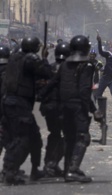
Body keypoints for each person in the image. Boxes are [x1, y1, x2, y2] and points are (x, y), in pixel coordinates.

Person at [39, 35, 94, 183]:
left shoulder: (64, 65)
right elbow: (84, 91)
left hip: (64, 106)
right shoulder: (87, 65)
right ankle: (73, 170)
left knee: (69, 138)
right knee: (82, 137)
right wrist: (94, 110)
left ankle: (67, 170)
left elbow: (52, 83)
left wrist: (40, 96)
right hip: (78, 106)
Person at [2, 37, 52, 185]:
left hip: (14, 103)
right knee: (20, 139)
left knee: (35, 138)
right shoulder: (31, 59)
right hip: (18, 103)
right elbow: (46, 72)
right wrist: (44, 58)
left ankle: (35, 170)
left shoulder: (15, 57)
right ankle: (9, 172)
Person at [39, 42, 70, 177]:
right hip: (63, 108)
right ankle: (55, 164)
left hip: (50, 108)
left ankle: (50, 164)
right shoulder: (69, 70)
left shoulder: (49, 68)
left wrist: (44, 58)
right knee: (68, 137)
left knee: (54, 135)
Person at [96, 35, 112, 118]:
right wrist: (99, 42)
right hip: (105, 77)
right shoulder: (108, 54)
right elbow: (100, 51)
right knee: (98, 94)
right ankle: (100, 110)